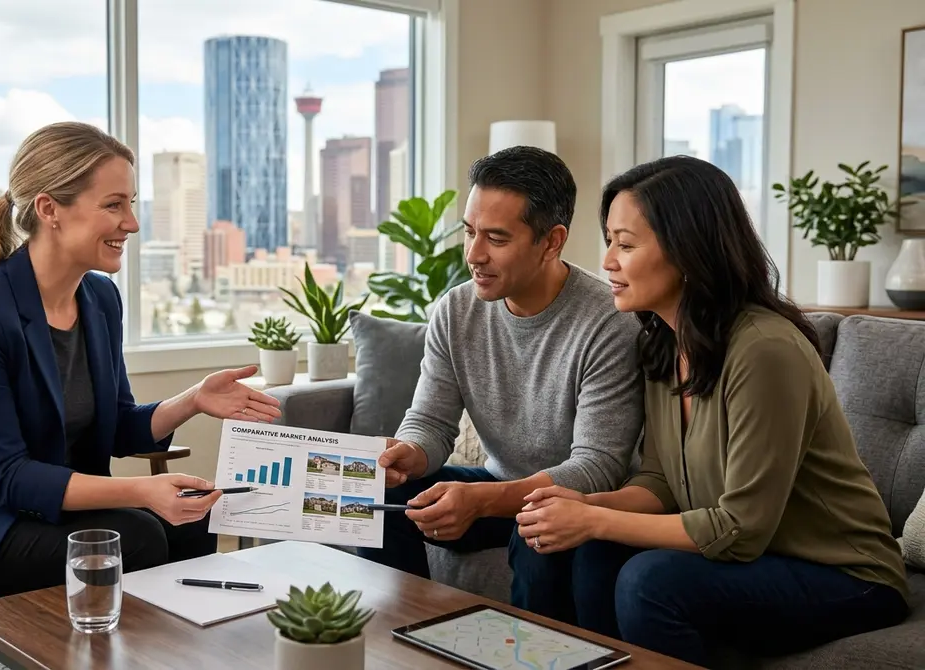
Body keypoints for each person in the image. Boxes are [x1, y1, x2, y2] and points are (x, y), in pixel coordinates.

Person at [0, 121, 281, 621]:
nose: (132, 223)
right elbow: (4, 476)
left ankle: (162, 649)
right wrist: (141, 491)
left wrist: (192, 399)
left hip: (46, 511)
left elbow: (117, 426)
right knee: (138, 535)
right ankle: (104, 648)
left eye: (131, 203)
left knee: (195, 516)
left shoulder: (100, 299)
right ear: (49, 210)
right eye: (114, 205)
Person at [515, 155, 910, 665]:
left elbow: (740, 529)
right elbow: (660, 482)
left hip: (847, 573)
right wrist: (583, 506)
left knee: (649, 581)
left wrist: (594, 519)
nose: (607, 260)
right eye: (609, 240)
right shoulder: (662, 342)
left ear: (688, 250)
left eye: (626, 244)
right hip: (759, 558)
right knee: (586, 551)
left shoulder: (765, 349)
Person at [356, 146, 645, 619]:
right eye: (470, 232)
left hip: (574, 500)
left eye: (496, 238)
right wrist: (408, 453)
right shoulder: (455, 310)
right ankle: (408, 635)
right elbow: (430, 422)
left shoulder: (608, 322)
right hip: (497, 484)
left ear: (551, 242)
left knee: (539, 532)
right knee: (380, 494)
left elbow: (598, 467)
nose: (474, 254)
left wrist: (485, 501)